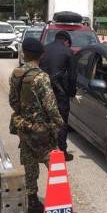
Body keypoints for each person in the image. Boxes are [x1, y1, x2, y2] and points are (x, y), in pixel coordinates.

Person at [9, 37, 65, 213]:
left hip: (23, 127)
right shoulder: (41, 77)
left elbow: (12, 101)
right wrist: (59, 123)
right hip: (41, 131)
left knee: (29, 163)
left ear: (24, 53)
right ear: (41, 55)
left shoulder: (16, 73)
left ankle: (32, 202)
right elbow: (50, 106)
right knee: (54, 163)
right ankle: (61, 204)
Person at [39, 30, 77, 161]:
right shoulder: (68, 52)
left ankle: (44, 150)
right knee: (61, 122)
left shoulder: (44, 49)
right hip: (60, 93)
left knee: (45, 119)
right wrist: (72, 93)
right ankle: (61, 151)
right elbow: (73, 77)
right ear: (66, 41)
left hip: (44, 91)